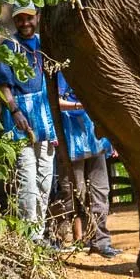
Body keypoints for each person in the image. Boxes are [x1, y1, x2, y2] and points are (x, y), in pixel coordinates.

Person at [0, 3, 59, 249]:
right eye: (20, 19)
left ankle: (39, 234)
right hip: (20, 120)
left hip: (44, 119)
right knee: (27, 179)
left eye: (29, 18)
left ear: (37, 18)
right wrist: (15, 110)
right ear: (15, 21)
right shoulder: (8, 46)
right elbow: (3, 84)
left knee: (45, 179)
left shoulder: (45, 45)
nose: (25, 23)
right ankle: (29, 237)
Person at [55, 74, 122, 258]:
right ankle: (64, 239)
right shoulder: (62, 73)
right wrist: (81, 106)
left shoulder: (94, 73)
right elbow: (55, 101)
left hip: (95, 138)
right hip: (71, 138)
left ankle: (100, 241)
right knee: (73, 191)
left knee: (101, 191)